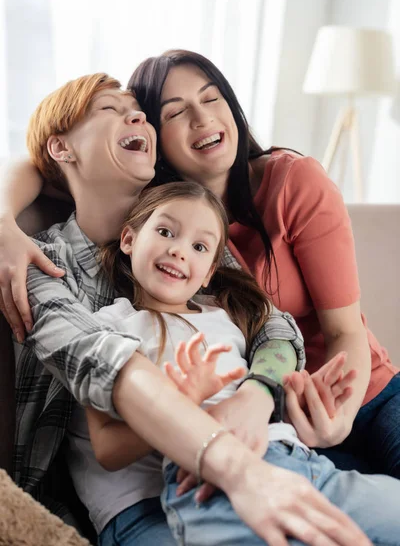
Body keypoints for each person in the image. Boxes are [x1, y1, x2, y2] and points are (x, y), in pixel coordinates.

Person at [0, 73, 379, 546]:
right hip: (138, 497)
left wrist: (258, 392)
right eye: (109, 111)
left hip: (268, 453)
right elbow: (98, 360)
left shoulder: (182, 226)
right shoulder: (37, 260)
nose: (136, 116)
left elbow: (272, 328)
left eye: (136, 110)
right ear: (62, 149)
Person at [68, 179, 400, 546]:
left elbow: (251, 405)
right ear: (129, 239)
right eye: (165, 232)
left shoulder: (228, 319)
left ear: (210, 271)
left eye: (198, 246)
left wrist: (302, 401)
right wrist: (184, 403)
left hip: (299, 465)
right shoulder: (106, 328)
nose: (179, 252)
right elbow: (108, 449)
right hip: (201, 481)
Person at [126, 49, 400, 476]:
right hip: (276, 422)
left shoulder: (294, 181)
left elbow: (346, 330)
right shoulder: (159, 231)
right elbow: (51, 165)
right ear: (154, 139)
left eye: (212, 98)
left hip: (368, 395)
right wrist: (6, 225)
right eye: (176, 113)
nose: (203, 119)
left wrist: (338, 420)